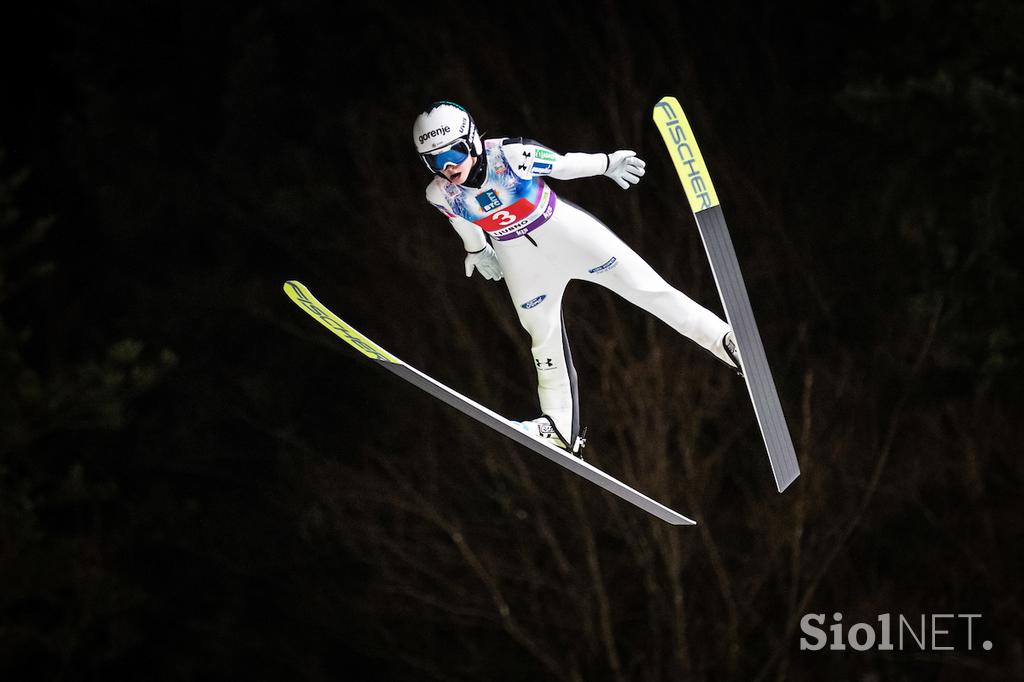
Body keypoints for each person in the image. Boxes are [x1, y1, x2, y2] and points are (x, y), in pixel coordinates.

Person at [413, 100, 741, 455]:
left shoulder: (510, 157)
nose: (448, 167)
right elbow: (460, 219)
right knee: (542, 337)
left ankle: (726, 340)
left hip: (569, 236)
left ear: (472, 140)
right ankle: (558, 429)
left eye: (455, 153)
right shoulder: (440, 193)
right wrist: (477, 250)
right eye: (435, 161)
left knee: (650, 290)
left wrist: (607, 163)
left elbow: (564, 165)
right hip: (522, 262)